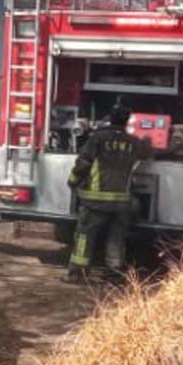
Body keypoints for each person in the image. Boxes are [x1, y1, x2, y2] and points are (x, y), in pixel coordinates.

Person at [66, 104, 153, 282]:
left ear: (109, 119)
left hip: (95, 201)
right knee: (117, 238)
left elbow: (83, 163)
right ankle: (114, 273)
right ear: (127, 121)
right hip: (122, 203)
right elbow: (147, 152)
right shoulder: (133, 142)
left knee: (85, 236)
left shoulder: (97, 139)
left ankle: (78, 273)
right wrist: (148, 140)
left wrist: (73, 181)